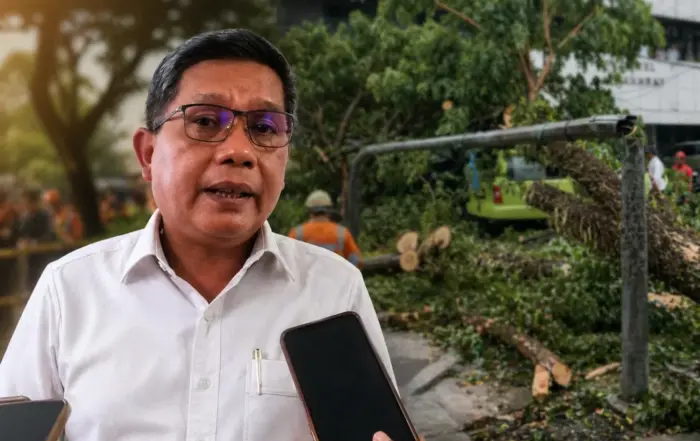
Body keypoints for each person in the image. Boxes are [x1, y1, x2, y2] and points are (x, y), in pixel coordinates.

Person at [0, 29, 405, 441]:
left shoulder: (334, 291)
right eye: (206, 121)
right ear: (148, 154)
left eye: (265, 127)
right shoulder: (69, 291)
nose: (240, 152)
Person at [288, 189, 362, 267]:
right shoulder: (342, 233)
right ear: (329, 210)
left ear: (309, 210)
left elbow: (287, 259)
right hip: (334, 274)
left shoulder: (297, 233)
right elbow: (357, 260)